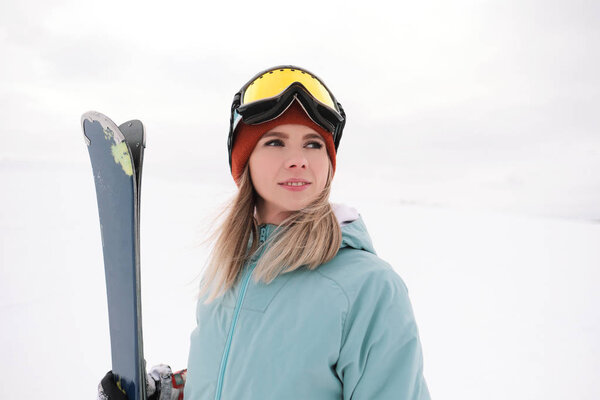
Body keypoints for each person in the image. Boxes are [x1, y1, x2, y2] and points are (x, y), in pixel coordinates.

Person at [98, 65, 431, 399]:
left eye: (314, 145)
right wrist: (170, 393)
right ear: (246, 163)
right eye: (276, 142)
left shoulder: (370, 289)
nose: (299, 159)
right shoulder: (225, 271)